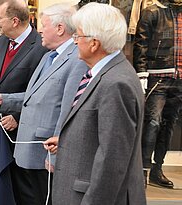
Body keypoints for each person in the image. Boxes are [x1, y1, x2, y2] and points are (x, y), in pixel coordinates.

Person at [0, 3, 88, 204]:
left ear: (59, 28)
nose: (39, 29)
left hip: (45, 154)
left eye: (44, 25)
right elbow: (35, 96)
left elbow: (68, 111)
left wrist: (56, 156)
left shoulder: (75, 59)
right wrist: (4, 99)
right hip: (28, 151)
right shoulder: (50, 56)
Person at [44, 3, 147, 204]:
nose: (74, 42)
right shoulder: (106, 73)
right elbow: (101, 133)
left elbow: (112, 159)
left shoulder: (116, 83)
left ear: (94, 43)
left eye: (78, 36)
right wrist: (68, 142)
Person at [0, 0, 47, 204]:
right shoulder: (1, 41)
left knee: (25, 193)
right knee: (3, 189)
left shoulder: (41, 47)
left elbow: (43, 93)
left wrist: (18, 117)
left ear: (15, 21)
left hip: (24, 135)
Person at [133, 0, 182, 188]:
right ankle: (143, 170)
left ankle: (157, 168)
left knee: (169, 124)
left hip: (179, 77)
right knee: (152, 122)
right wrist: (141, 73)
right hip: (157, 76)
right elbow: (141, 44)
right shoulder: (151, 13)